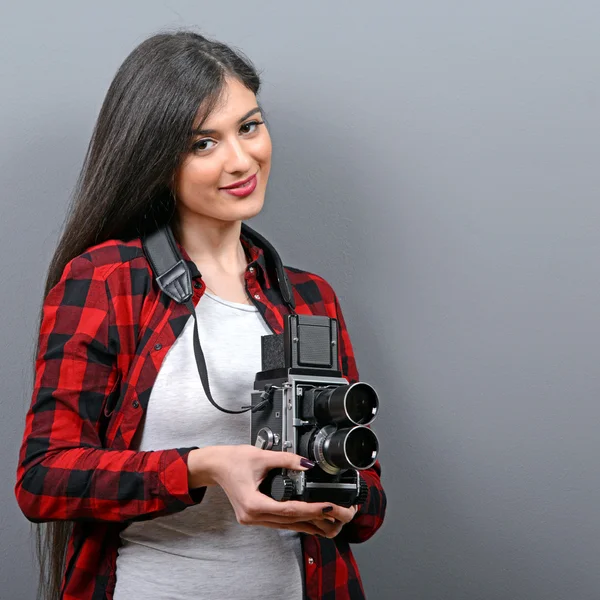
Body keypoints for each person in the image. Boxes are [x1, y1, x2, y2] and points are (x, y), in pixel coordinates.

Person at [15, 30, 386, 600]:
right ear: (157, 158)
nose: (241, 160)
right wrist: (201, 467)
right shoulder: (107, 279)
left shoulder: (309, 299)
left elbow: (368, 502)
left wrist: (341, 498)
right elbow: (43, 478)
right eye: (203, 144)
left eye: (249, 126)